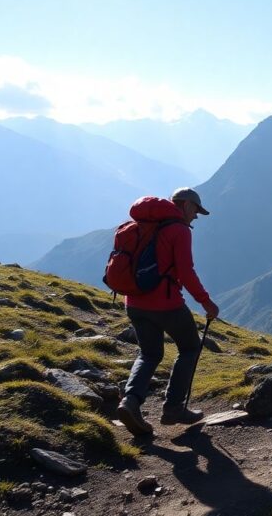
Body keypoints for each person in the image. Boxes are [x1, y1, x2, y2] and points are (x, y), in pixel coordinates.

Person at [116, 187, 220, 436]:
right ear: (185, 205)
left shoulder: (139, 225)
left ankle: (130, 402)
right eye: (195, 210)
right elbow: (186, 272)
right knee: (190, 348)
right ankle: (173, 408)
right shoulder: (179, 230)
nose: (196, 216)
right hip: (166, 304)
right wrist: (206, 303)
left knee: (149, 354)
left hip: (134, 303)